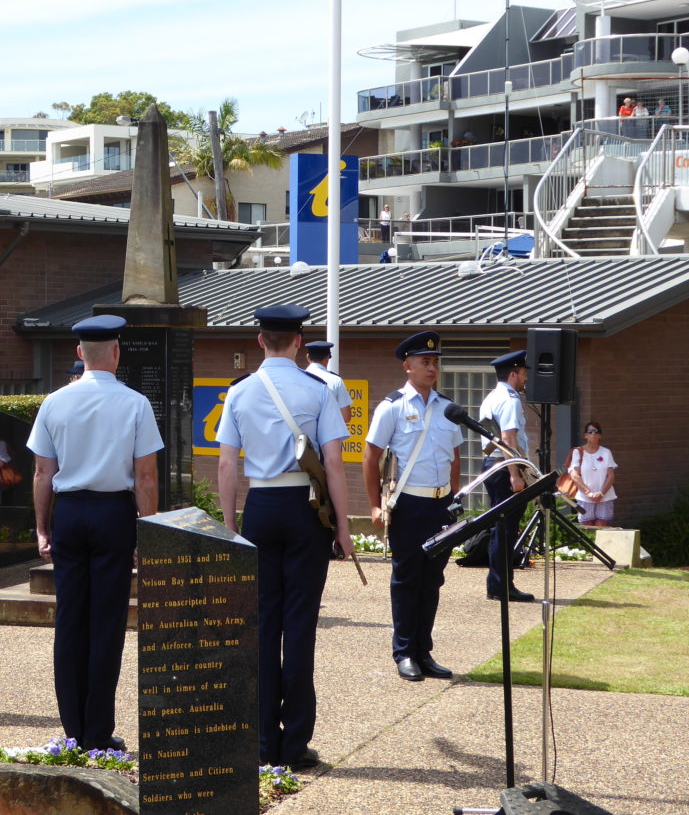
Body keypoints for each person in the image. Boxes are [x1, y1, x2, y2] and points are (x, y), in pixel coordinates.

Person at [217, 304, 351, 768]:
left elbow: (226, 465)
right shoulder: (318, 391)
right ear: (298, 341)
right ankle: (294, 743)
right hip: (305, 510)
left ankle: (260, 742)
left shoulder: (239, 393)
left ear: (259, 340)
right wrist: (346, 529)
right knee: (299, 627)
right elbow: (333, 463)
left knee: (261, 625)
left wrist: (230, 528)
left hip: (260, 506)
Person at [27, 314, 161, 752]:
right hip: (113, 513)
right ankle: (98, 730)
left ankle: (72, 729)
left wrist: (42, 527)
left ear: (79, 352)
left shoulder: (54, 403)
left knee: (70, 619)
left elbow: (42, 473)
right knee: (107, 623)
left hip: (71, 511)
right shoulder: (136, 404)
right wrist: (148, 532)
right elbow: (145, 478)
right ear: (117, 353)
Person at [363, 331, 463, 682]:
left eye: (435, 361)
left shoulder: (446, 407)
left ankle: (424, 651)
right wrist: (375, 505)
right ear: (408, 366)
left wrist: (454, 496)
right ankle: (404, 652)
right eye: (425, 361)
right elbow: (371, 455)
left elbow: (454, 455)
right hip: (407, 504)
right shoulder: (392, 406)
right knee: (406, 581)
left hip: (439, 506)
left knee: (432, 581)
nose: (431, 367)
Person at [478, 350, 535, 604]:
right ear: (513, 373)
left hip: (493, 466)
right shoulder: (510, 399)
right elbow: (508, 439)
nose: (525, 379)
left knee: (500, 528)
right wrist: (516, 474)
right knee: (506, 530)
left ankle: (498, 584)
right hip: (505, 468)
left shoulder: (493, 396)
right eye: (523, 374)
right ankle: (502, 586)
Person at [569, 422, 617, 527]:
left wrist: (601, 493)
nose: (593, 434)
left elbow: (611, 475)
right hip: (585, 497)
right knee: (587, 529)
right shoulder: (578, 452)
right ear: (585, 435)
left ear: (600, 435)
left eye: (596, 432)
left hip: (604, 496)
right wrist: (589, 493)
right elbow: (575, 475)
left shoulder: (606, 452)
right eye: (590, 431)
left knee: (601, 529)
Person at [303, 340, 352, 423]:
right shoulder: (336, 380)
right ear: (327, 359)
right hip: (328, 433)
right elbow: (346, 417)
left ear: (308, 357)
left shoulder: (297, 378)